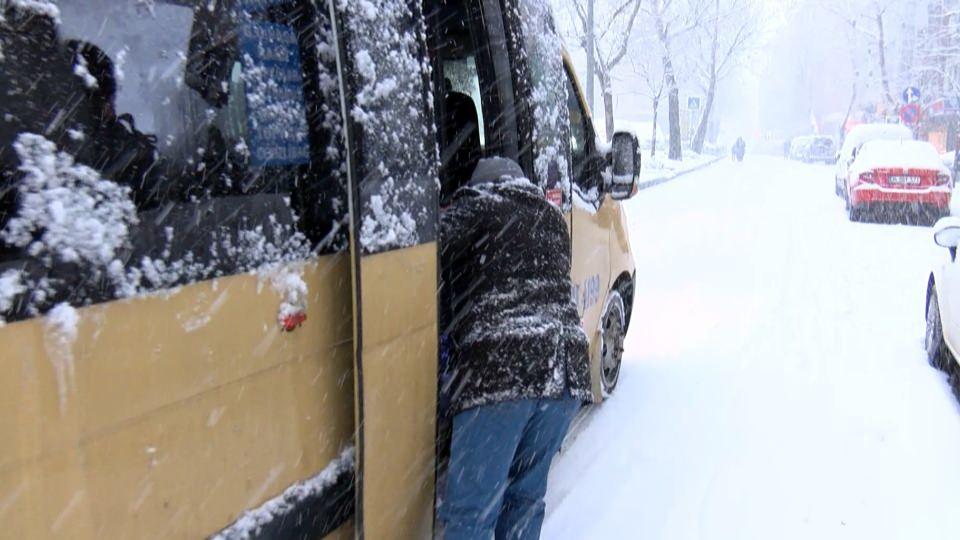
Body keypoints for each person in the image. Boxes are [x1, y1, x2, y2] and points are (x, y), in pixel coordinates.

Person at [438, 157, 591, 540]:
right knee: (524, 497)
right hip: (565, 373)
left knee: (472, 510)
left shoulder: (480, 205)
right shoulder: (553, 218)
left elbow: (424, 249)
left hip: (501, 373)